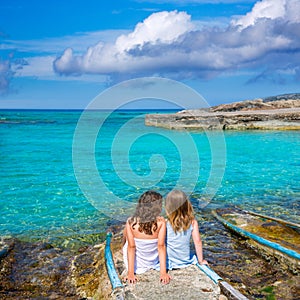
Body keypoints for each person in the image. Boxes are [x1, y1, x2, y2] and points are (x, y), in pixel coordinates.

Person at [123, 190, 171, 284]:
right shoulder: (161, 223)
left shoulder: (131, 222)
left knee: (128, 242)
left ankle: (121, 245)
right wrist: (163, 273)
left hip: (138, 264)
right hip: (153, 261)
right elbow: (161, 247)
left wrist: (131, 273)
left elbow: (131, 248)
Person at [165, 189, 208, 270]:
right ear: (186, 205)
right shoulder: (192, 222)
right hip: (184, 261)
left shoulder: (165, 223)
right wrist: (201, 260)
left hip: (169, 261)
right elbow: (198, 242)